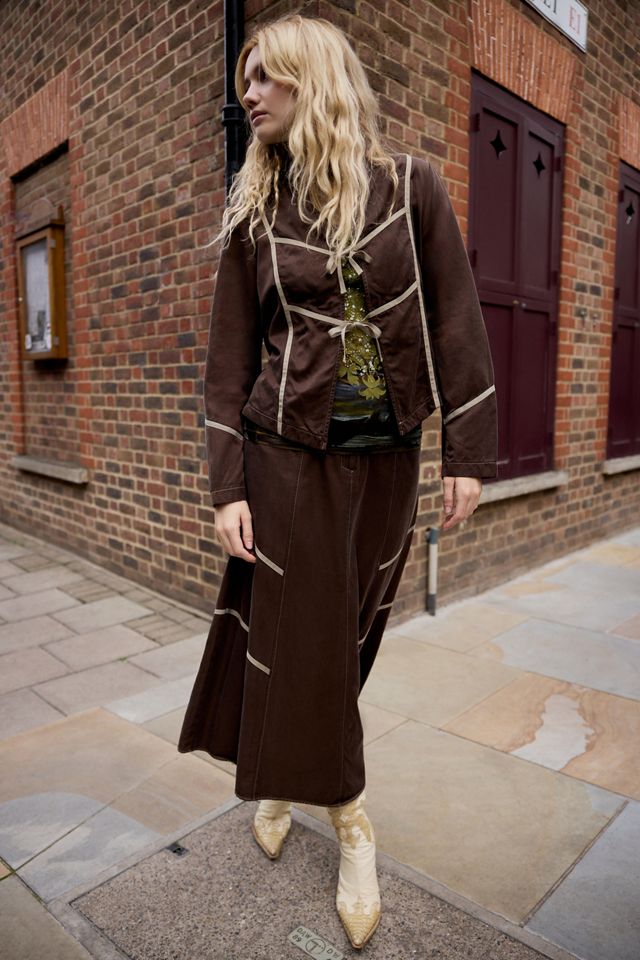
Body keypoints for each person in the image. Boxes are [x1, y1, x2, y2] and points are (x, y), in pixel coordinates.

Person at [178, 12, 498, 950]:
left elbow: (457, 317)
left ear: (312, 78)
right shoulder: (255, 213)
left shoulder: (413, 187)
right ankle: (352, 821)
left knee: (350, 636)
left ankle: (287, 774)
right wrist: (227, 486)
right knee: (308, 634)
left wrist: (468, 454)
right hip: (288, 460)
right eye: (244, 78)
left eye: (265, 76)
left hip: (390, 458)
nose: (248, 93)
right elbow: (228, 361)